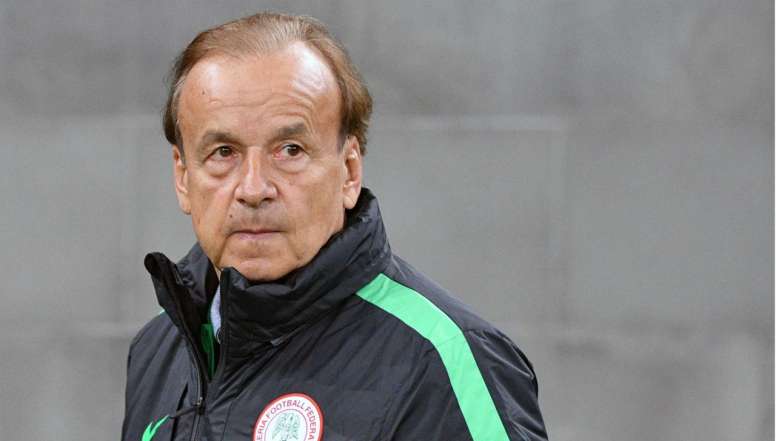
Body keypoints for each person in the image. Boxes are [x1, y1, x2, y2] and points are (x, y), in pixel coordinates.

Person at [121, 12, 548, 441]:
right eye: (223, 152)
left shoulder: (445, 360)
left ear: (349, 171)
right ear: (183, 177)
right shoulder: (158, 348)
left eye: (290, 150)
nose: (253, 189)